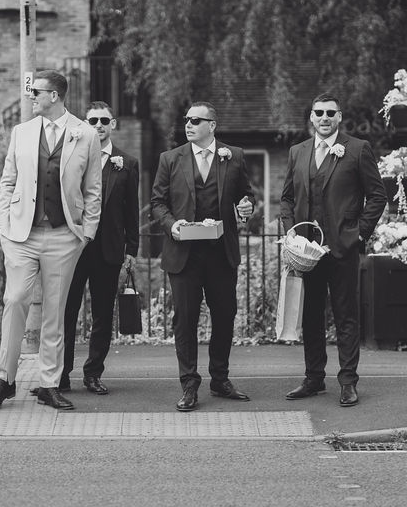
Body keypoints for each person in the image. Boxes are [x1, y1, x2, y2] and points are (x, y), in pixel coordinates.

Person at [0, 70, 102, 412]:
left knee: (54, 311)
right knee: (14, 299)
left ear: (55, 96)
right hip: (21, 235)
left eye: (37, 92)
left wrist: (87, 232)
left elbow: (93, 189)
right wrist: (5, 228)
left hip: (65, 236)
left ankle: (49, 383)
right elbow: (7, 183)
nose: (31, 96)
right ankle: (4, 379)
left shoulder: (85, 134)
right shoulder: (21, 132)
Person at [279, 93, 386, 407]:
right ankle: (313, 379)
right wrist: (291, 235)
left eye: (330, 113)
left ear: (339, 117)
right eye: (318, 113)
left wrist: (357, 234)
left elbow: (377, 197)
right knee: (310, 315)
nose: (324, 118)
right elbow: (287, 199)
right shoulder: (297, 152)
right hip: (306, 251)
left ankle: (348, 381)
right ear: (311, 117)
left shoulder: (357, 149)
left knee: (346, 316)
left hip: (342, 248)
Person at [150, 102, 255, 412]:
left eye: (196, 120)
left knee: (225, 316)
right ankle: (189, 383)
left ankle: (220, 379)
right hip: (184, 253)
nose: (189, 124)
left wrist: (246, 207)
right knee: (185, 319)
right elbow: (157, 203)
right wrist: (172, 225)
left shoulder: (233, 156)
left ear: (212, 125)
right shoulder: (170, 159)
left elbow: (245, 195)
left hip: (221, 253)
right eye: (187, 120)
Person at [60, 101, 140, 395]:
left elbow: (132, 208)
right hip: (74, 247)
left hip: (109, 250)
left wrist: (132, 249)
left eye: (104, 120)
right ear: (85, 124)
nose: (98, 126)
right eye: (92, 121)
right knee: (66, 313)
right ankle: (60, 374)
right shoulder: (72, 156)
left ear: (113, 124)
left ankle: (93, 373)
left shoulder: (127, 163)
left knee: (103, 315)